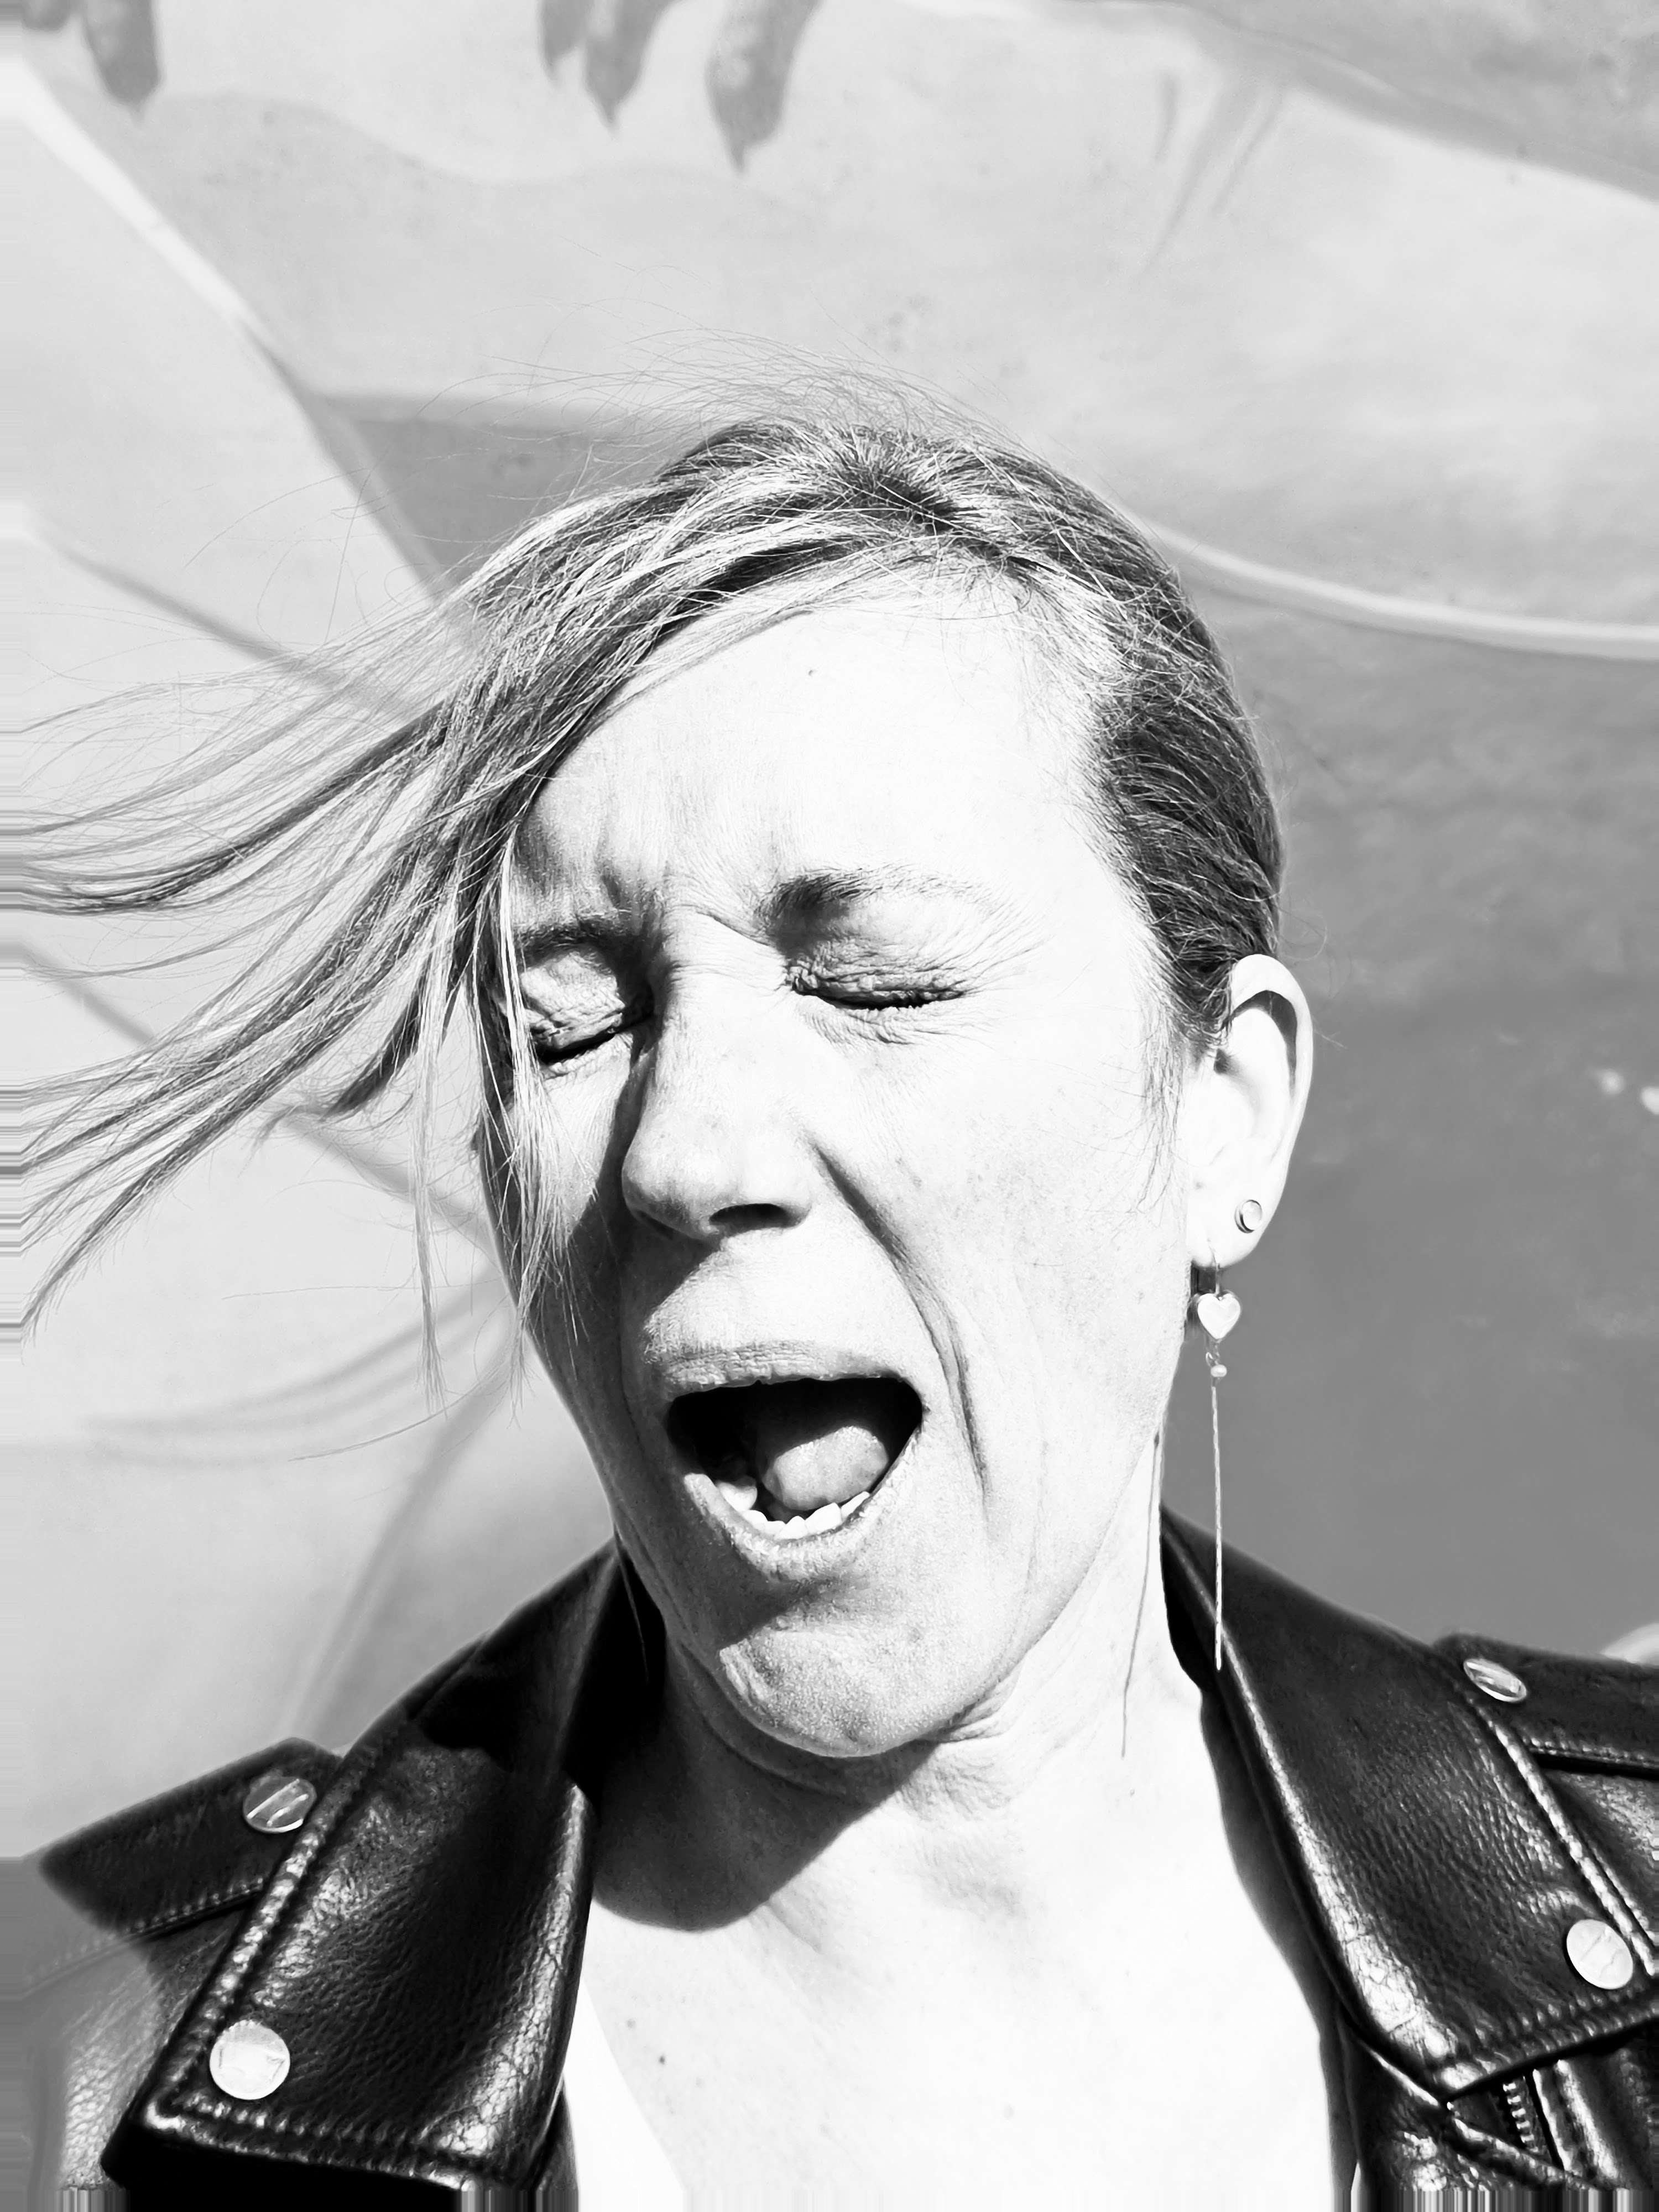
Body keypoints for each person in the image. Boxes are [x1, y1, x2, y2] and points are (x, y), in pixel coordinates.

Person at [20, 419, 1656, 2207]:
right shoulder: (71, 2091)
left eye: (876, 983)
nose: (683, 1150)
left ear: (1223, 1115)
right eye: (573, 1024)